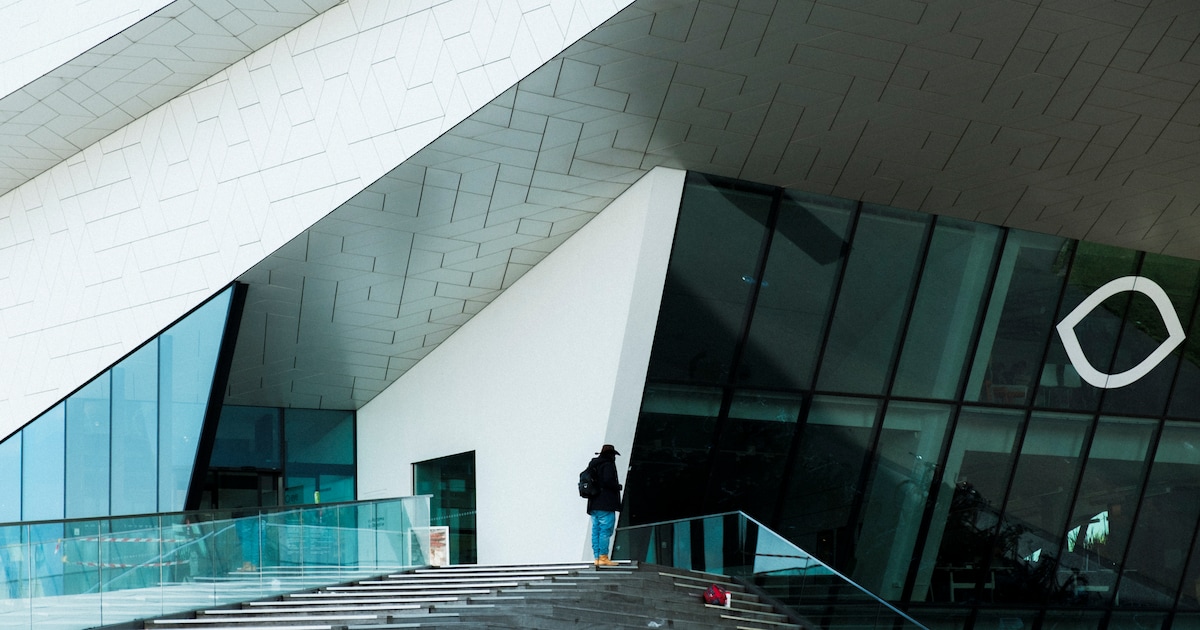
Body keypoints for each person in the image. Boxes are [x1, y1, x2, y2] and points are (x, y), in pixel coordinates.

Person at [586, 444, 623, 566]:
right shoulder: (607, 464)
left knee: (596, 530)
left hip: (593, 504)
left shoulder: (593, 465)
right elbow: (608, 480)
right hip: (605, 503)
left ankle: (597, 558)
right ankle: (603, 557)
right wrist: (617, 487)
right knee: (605, 531)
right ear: (611, 455)